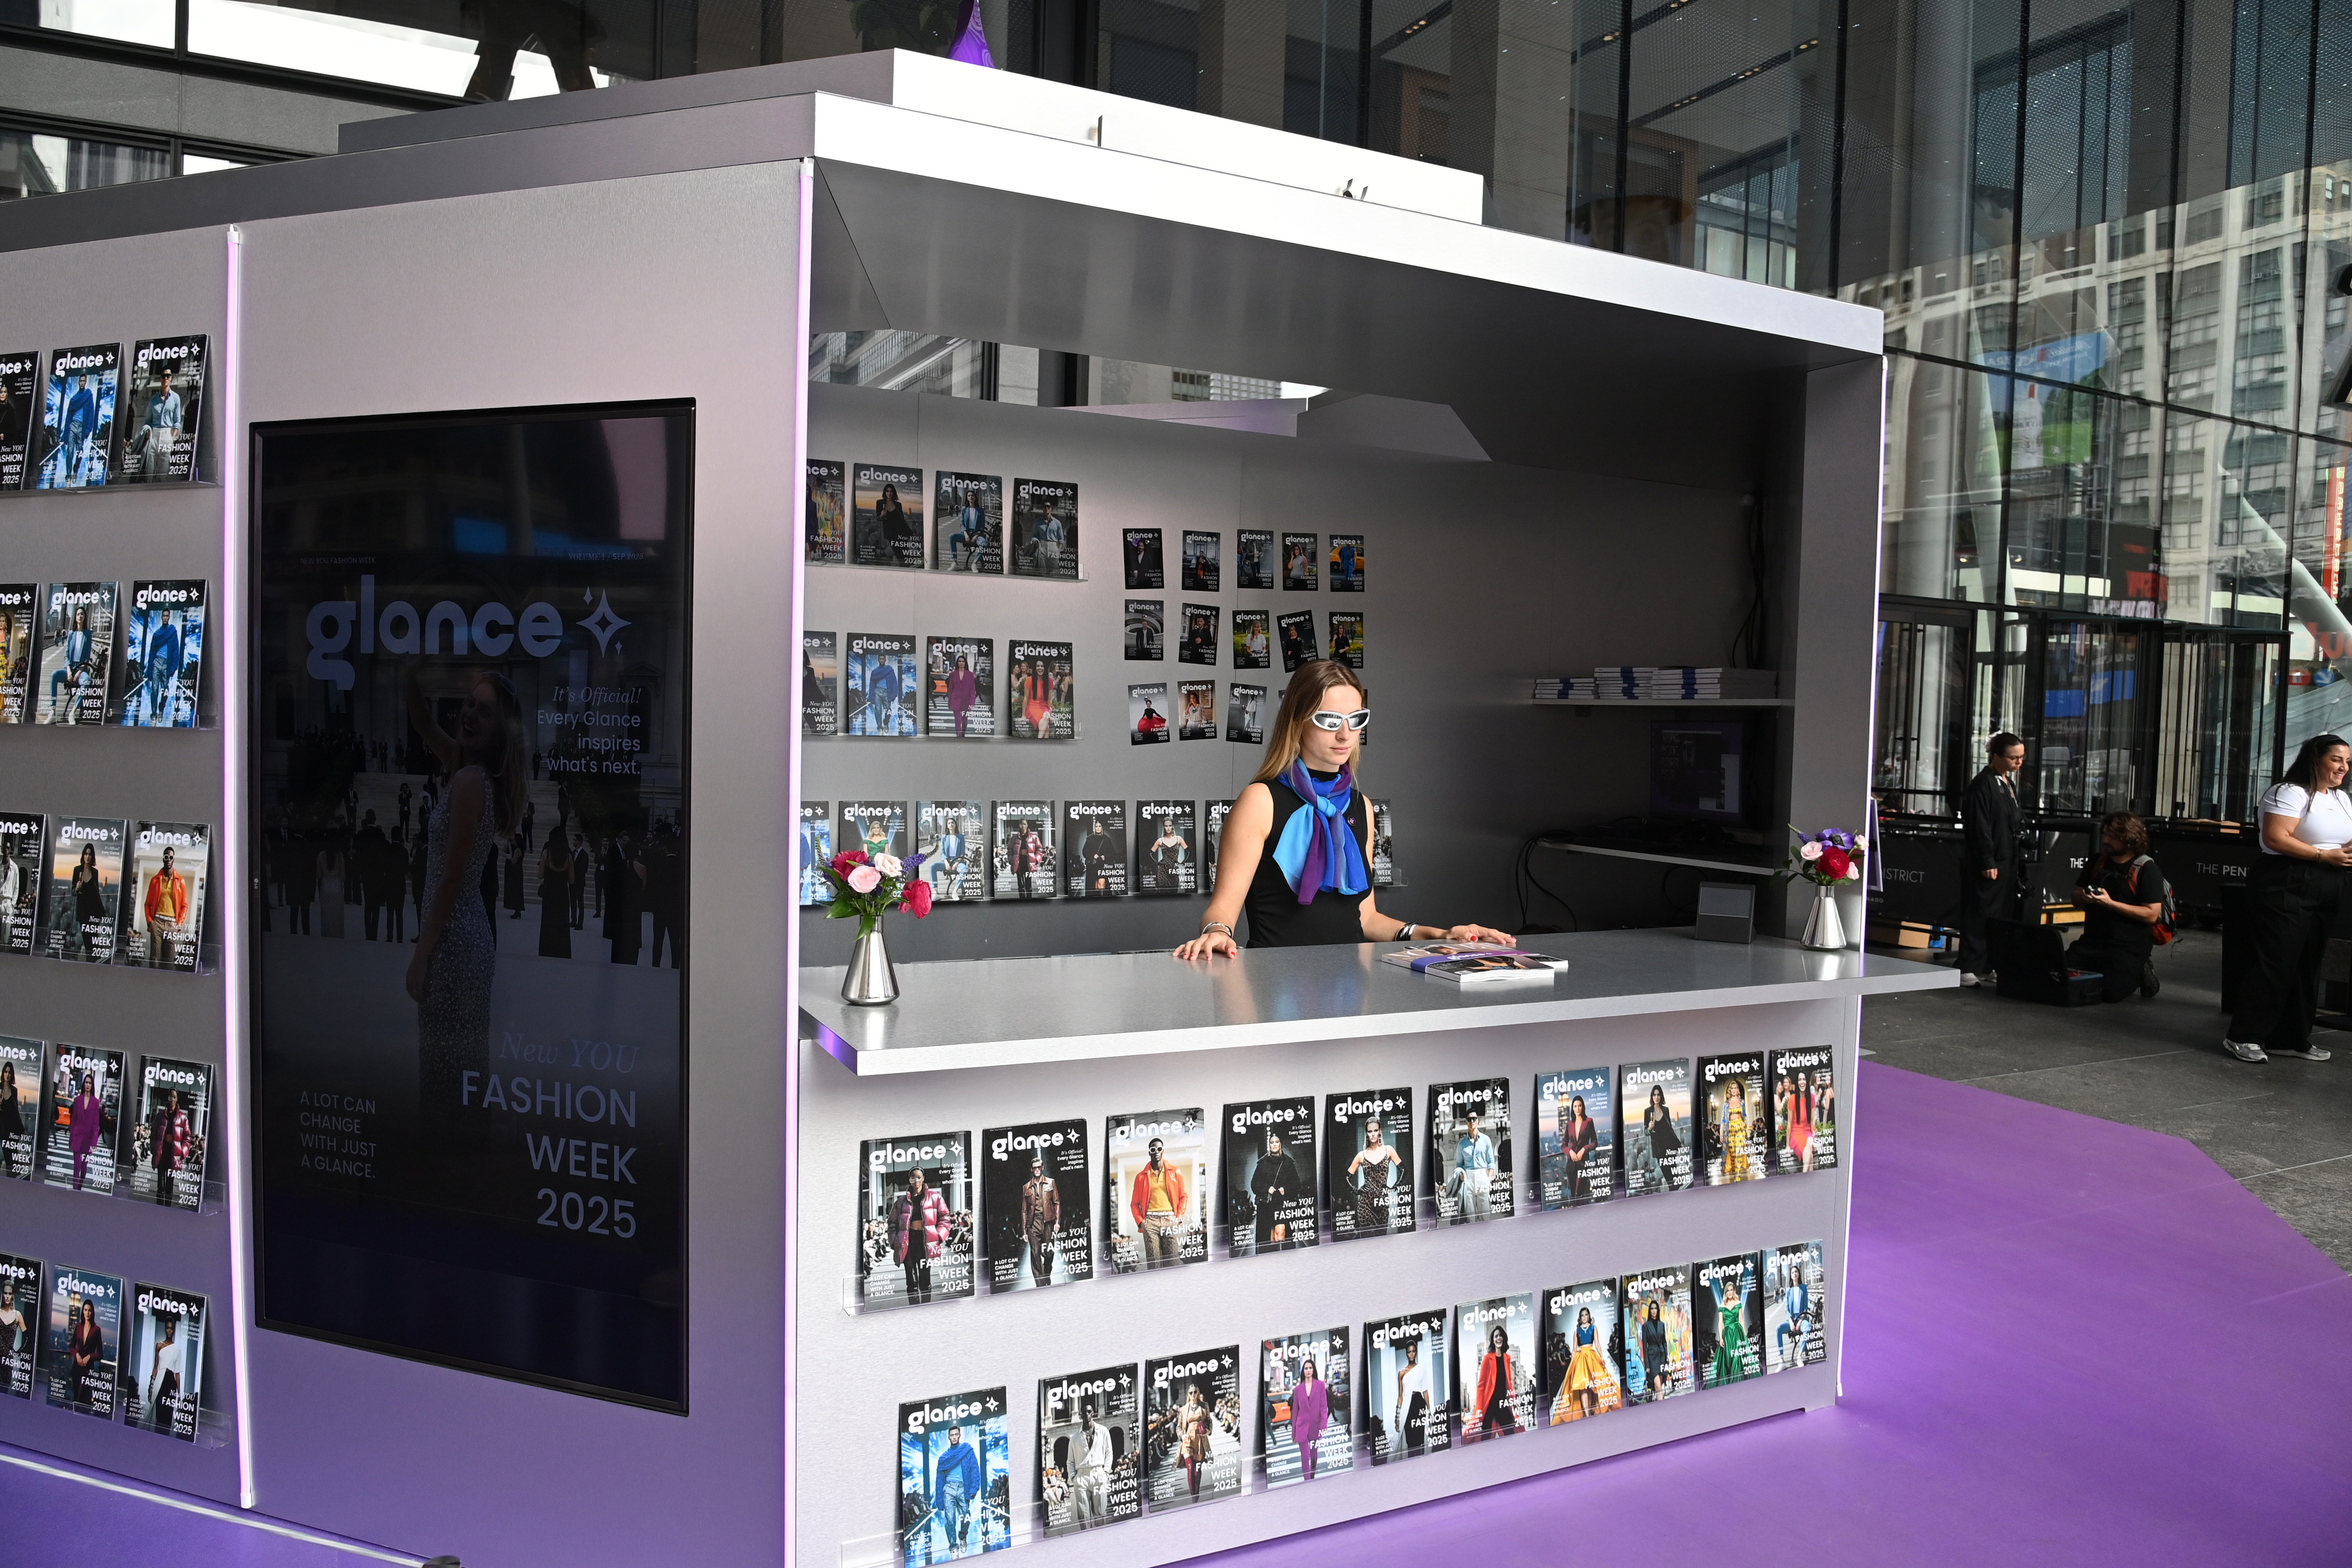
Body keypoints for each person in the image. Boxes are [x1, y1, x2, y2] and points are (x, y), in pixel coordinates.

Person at [1174, 661, 1511, 956]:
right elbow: (1222, 909)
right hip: (1275, 985)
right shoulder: (1261, 800)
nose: (1345, 734)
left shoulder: (1361, 806)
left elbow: (1366, 918)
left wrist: (1441, 935)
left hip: (1349, 987)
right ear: (1297, 721)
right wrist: (1217, 932)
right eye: (1330, 720)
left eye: (1356, 719)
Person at [405, 668, 529, 1137]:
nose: (470, 715)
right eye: (470, 704)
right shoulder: (472, 771)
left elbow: (452, 878)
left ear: (501, 730)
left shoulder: (472, 780)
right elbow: (423, 723)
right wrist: (406, 671)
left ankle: (449, 1156)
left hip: (454, 939)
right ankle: (461, 1152)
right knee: (459, 1059)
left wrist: (421, 954)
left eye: (486, 712)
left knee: (446, 1060)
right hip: (466, 934)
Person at [2226, 732, 2352, 1064]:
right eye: (2336, 759)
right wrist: (2324, 856)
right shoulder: (2289, 792)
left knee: (2308, 962)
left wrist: (2339, 856)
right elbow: (2276, 838)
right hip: (2287, 879)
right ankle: (2244, 1036)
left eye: (2347, 761)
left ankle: (2291, 1038)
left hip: (2329, 881)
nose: (2344, 767)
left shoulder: (2342, 798)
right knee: (2276, 959)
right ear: (2315, 759)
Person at [2066, 811, 2168, 1003]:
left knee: (2109, 993)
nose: (2106, 840)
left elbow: (2151, 915)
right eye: (2105, 834)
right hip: (2092, 943)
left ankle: (2141, 970)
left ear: (2129, 839)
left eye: (2113, 837)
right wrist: (2085, 897)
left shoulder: (2147, 869)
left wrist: (2110, 904)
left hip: (2127, 947)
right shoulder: (2097, 861)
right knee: (2058, 976)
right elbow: (2075, 899)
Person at [1957, 732, 2026, 985]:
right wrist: (1987, 860)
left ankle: (1989, 964)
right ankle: (1968, 966)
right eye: (2013, 758)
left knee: (2000, 914)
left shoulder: (2006, 783)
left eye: (2021, 757)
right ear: (1996, 756)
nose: (2018, 762)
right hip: (1990, 860)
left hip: (2007, 858)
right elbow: (1979, 826)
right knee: (1981, 911)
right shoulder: (1983, 783)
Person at [890, 1167, 948, 1304]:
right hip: (908, 1243)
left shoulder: (935, 1197)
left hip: (925, 1242)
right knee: (911, 1282)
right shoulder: (901, 1202)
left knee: (925, 1279)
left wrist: (938, 1236)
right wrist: (895, 1242)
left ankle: (926, 1308)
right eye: (913, 1177)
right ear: (909, 1180)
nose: (916, 1180)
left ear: (923, 1179)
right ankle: (914, 1308)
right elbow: (892, 1223)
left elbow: (945, 1218)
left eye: (919, 1177)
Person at [1553, 1304, 1621, 1422]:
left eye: (1586, 1315)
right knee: (1583, 1386)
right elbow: (1574, 1349)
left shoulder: (1594, 1328)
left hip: (1592, 1357)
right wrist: (1572, 1365)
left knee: (1592, 1386)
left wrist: (1602, 1357)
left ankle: (1590, 1411)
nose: (1584, 1317)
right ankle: (1587, 1414)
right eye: (1582, 1315)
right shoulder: (1577, 1331)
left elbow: (1597, 1344)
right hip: (1580, 1359)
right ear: (1580, 1318)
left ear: (1589, 1316)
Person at [1129, 1136, 1187, 1266]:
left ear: (1163, 1151)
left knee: (1173, 1262)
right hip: (1150, 1222)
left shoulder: (1175, 1172)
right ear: (1149, 1152)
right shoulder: (1141, 1177)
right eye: (1153, 1149)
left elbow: (1184, 1196)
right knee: (1153, 1264)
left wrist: (1179, 1218)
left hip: (1170, 1220)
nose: (1156, 1152)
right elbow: (1134, 1204)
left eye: (1159, 1149)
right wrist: (1141, 1223)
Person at [1345, 1114, 1403, 1234]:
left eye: (1375, 1131)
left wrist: (1393, 1188)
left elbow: (1404, 1170)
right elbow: (1346, 1177)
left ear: (1380, 1131)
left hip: (1382, 1204)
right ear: (1366, 1133)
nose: (1373, 1134)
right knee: (1367, 1239)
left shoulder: (1388, 1150)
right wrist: (1357, 1191)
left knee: (1381, 1238)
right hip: (1365, 1205)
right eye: (1370, 1131)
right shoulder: (1362, 1155)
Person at [930, 1420, 981, 1550]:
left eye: (956, 1435)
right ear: (949, 1437)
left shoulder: (967, 1451)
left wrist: (974, 1489)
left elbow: (975, 1469)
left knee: (966, 1518)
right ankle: (953, 1547)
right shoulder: (944, 1457)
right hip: (949, 1489)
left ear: (960, 1435)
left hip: (963, 1488)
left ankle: (963, 1537)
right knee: (950, 1519)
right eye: (952, 1435)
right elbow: (939, 1480)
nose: (954, 1437)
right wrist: (939, 1499)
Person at [1249, 1129, 1303, 1249]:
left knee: (1281, 1234)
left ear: (1281, 1144)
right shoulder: (1262, 1163)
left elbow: (1297, 1184)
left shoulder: (1288, 1162)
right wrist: (1267, 1189)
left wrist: (1286, 1189)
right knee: (1270, 1238)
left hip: (1283, 1204)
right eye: (1272, 1142)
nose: (1274, 1145)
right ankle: (1273, 1257)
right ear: (1269, 1145)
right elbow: (1254, 1184)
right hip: (1267, 1205)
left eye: (1277, 1142)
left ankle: (1285, 1256)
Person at [1471, 1322, 1521, 1439]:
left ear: (1504, 1338)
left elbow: (1509, 1383)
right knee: (1486, 1436)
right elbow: (1481, 1385)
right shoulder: (1487, 1358)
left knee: (1511, 1432)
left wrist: (1513, 1399)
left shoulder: (1507, 1358)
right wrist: (1479, 1407)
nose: (1498, 1338)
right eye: (1496, 1336)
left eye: (1500, 1336)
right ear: (1493, 1341)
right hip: (1490, 1403)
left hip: (1503, 1402)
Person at [1068, 1403, 1112, 1523]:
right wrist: (1073, 1477)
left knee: (1101, 1513)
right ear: (1081, 1415)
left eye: (1089, 1412)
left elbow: (1109, 1453)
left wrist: (1106, 1472)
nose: (1087, 1414)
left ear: (1093, 1413)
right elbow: (1070, 1462)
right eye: (1084, 1412)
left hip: (1099, 1474)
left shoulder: (1103, 1431)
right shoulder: (1075, 1438)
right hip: (1081, 1478)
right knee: (1084, 1518)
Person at [1019, 1152, 1059, 1284]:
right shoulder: (1026, 1188)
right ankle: (1041, 1285)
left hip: (1048, 1222)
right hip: (1033, 1223)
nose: (1037, 1170)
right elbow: (1024, 1210)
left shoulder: (1051, 1183)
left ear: (1043, 1168)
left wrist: (1057, 1222)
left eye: (1039, 1167)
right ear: (1032, 1170)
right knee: (1035, 1254)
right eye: (1034, 1168)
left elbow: (1057, 1203)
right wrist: (1024, 1231)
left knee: (1049, 1253)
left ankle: (1046, 1274)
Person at [1289, 1353, 1330, 1479]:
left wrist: (1324, 1425)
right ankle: (1307, 1481)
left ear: (1313, 1370)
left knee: (1314, 1455)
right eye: (1306, 1368)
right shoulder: (1298, 1390)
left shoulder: (1320, 1385)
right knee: (1305, 1456)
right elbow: (1295, 1412)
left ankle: (1312, 1477)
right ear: (1303, 1371)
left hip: (1315, 1426)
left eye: (1310, 1368)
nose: (1308, 1370)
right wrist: (1294, 1433)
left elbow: (1324, 1407)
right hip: (1301, 1426)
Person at [1451, 1108, 1496, 1222]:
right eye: (1469, 1119)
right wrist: (1461, 1174)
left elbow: (1491, 1162)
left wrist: (1489, 1178)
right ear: (1466, 1121)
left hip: (1483, 1177)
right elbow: (1459, 1165)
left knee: (1485, 1217)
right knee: (1470, 1218)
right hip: (1468, 1180)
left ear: (1478, 1121)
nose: (1472, 1121)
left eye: (1474, 1119)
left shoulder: (1486, 1140)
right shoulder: (1462, 1145)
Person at [140, 1311, 183, 1430]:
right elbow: (156, 1367)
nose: (169, 1330)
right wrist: (151, 1388)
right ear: (165, 1329)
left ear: (174, 1330)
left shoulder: (177, 1350)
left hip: (171, 1383)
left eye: (172, 1329)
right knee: (159, 1413)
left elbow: (178, 1374)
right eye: (168, 1328)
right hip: (160, 1382)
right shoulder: (159, 1346)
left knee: (168, 1414)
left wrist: (179, 1395)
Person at [147, 1086, 188, 1205]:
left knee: (170, 1186)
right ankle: (159, 1209)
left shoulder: (183, 1117)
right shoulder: (161, 1115)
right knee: (160, 1185)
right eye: (170, 1097)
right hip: (162, 1153)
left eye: (174, 1097)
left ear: (177, 1098)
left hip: (173, 1155)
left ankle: (168, 1210)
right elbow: (154, 1132)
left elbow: (187, 1137)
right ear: (168, 1097)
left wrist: (182, 1153)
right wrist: (154, 1147)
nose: (172, 1100)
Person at [1391, 1337, 1431, 1457]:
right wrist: (1398, 1417)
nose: (1412, 1354)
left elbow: (1425, 1392)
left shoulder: (1422, 1369)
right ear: (1406, 1353)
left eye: (1413, 1351)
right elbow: (1400, 1396)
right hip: (1407, 1407)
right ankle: (1412, 1461)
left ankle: (1421, 1459)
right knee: (1410, 1439)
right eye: (1409, 1352)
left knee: (1420, 1437)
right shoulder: (1402, 1373)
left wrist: (1430, 1411)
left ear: (1416, 1352)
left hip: (1419, 1404)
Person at [1709, 1276, 1752, 1384]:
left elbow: (1741, 1320)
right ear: (1726, 1292)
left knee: (1738, 1357)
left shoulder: (1738, 1303)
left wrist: (1744, 1335)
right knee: (1729, 1358)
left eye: (1731, 1290)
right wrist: (1721, 1338)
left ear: (1734, 1291)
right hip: (1727, 1335)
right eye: (1728, 1291)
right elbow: (1720, 1323)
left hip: (1738, 1333)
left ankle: (1738, 1381)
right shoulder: (1722, 1306)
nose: (1730, 1292)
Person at [67, 1069, 105, 1189]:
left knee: (84, 1169)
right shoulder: (78, 1100)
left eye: (90, 1083)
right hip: (77, 1137)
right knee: (77, 1167)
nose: (88, 1085)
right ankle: (75, 1191)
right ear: (84, 1084)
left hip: (88, 1139)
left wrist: (94, 1142)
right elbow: (74, 1121)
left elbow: (96, 1124)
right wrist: (71, 1140)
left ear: (92, 1085)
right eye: (86, 1083)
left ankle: (79, 1187)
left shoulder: (96, 1102)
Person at [537, 830, 572, 959]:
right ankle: (562, 951)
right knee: (562, 923)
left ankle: (547, 950)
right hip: (562, 893)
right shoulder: (568, 856)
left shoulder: (546, 854)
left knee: (548, 922)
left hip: (549, 893)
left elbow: (540, 875)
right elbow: (572, 880)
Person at [1177, 1382, 1213, 1497]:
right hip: (1188, 1439)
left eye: (1195, 1392)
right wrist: (1182, 1435)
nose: (1193, 1394)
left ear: (1198, 1393)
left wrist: (1209, 1431)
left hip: (1200, 1439)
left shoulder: (1204, 1406)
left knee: (1197, 1469)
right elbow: (1179, 1427)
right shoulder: (1183, 1409)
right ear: (1188, 1394)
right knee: (1190, 1468)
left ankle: (1197, 1494)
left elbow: (1209, 1421)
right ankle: (1193, 1497)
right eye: (1191, 1393)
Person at [1715, 1076, 1753, 1183]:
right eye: (1732, 1088)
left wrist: (1745, 1125)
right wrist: (1722, 1134)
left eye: (1736, 1088)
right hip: (1730, 1129)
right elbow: (1723, 1119)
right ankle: (1735, 1174)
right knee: (1732, 1153)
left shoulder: (1742, 1102)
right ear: (1730, 1090)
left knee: (1739, 1152)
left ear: (1738, 1090)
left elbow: (1745, 1115)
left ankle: (1738, 1176)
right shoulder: (1726, 1104)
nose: (1734, 1090)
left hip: (1740, 1127)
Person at [1561, 1094, 1598, 1202]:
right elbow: (1564, 1145)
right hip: (1571, 1164)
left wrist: (1585, 1149)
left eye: (1580, 1106)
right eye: (1575, 1106)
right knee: (1574, 1196)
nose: (1578, 1109)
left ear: (1583, 1107)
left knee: (1578, 1194)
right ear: (1573, 1108)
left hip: (1583, 1163)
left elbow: (1595, 1142)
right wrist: (1570, 1152)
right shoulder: (1570, 1124)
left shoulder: (1589, 1122)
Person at [70, 1296, 104, 1409]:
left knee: (82, 1399)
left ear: (92, 1312)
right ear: (83, 1311)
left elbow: (100, 1354)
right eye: (85, 1310)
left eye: (90, 1310)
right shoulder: (78, 1327)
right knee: (76, 1397)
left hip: (88, 1370)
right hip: (76, 1368)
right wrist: (77, 1354)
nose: (87, 1313)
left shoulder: (97, 1330)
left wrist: (90, 1356)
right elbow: (71, 1346)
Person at [1638, 1298, 1669, 1401]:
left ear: (1658, 1310)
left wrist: (1667, 1358)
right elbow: (1645, 1346)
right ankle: (1662, 1405)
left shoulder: (1662, 1325)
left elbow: (1664, 1342)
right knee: (1658, 1387)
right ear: (1650, 1311)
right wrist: (1647, 1364)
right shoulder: (1646, 1326)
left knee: (1661, 1385)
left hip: (1662, 1356)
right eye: (1652, 1309)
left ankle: (1660, 1403)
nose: (1654, 1311)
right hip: (1652, 1359)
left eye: (1655, 1308)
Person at [0, 1060, 23, 1178]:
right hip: (2, 1129)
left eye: (9, 1073)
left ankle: (12, 1179)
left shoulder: (14, 1090)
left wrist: (21, 1128)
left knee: (13, 1158)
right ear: (3, 1073)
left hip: (13, 1129)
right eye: (6, 1072)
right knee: (7, 1156)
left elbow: (15, 1111)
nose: (7, 1075)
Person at [946, 653, 978, 736]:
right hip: (955, 700)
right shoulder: (953, 674)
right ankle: (959, 735)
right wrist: (950, 702)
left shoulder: (970, 675)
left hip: (966, 700)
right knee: (957, 720)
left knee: (964, 720)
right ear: (957, 663)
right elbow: (951, 689)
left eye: (963, 661)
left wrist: (972, 702)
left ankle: (963, 734)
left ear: (965, 663)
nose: (961, 663)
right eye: (960, 661)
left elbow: (973, 690)